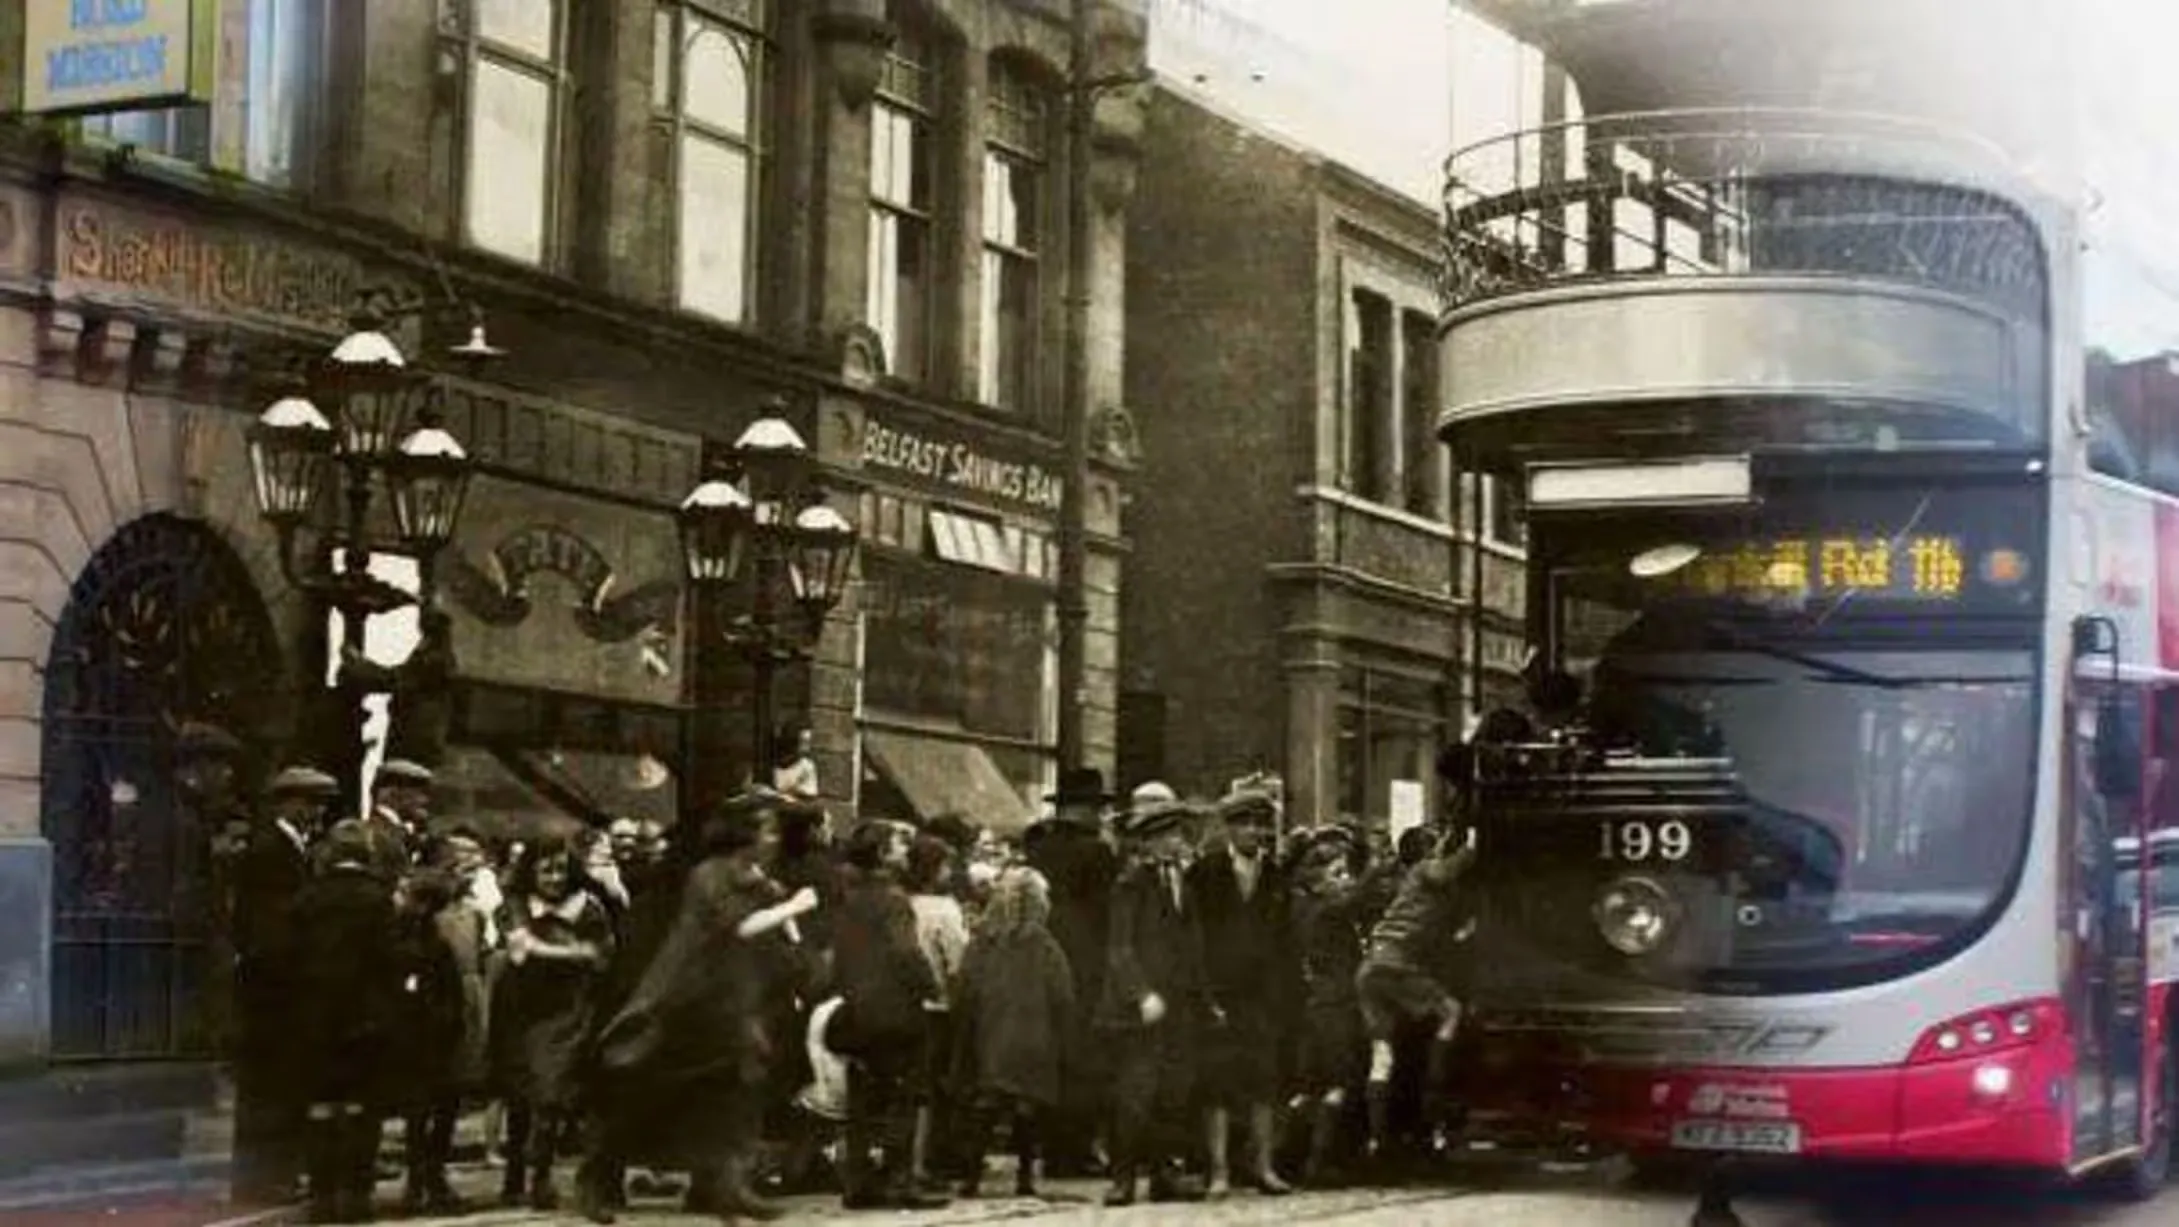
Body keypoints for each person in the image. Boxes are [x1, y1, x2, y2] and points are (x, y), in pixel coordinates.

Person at [587, 791, 820, 1225]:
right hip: (684, 996)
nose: (774, 838)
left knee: (736, 1093)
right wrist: (794, 906)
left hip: (728, 999)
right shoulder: (709, 875)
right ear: (742, 833)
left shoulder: (752, 874)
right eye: (767, 829)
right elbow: (740, 927)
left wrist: (787, 918)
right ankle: (600, 1176)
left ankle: (726, 1186)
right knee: (651, 1090)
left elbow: (772, 916)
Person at [230, 764, 339, 1207]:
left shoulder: (293, 849)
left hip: (282, 990)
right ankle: (263, 1179)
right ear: (286, 802)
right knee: (270, 1089)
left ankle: (275, 1175)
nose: (315, 813)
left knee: (282, 1088)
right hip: (274, 992)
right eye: (309, 803)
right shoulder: (269, 851)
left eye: (320, 805)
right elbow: (269, 928)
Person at [1097, 799, 1213, 1207]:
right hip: (1141, 1007)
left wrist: (1205, 998)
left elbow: (1193, 944)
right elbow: (1120, 948)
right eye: (1165, 836)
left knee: (1174, 1090)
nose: (1174, 842)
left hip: (1178, 1003)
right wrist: (1141, 993)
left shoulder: (1182, 880)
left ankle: (1166, 1174)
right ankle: (1123, 1178)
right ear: (1147, 842)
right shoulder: (1131, 882)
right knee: (1135, 1092)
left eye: (1177, 834)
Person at [829, 819, 949, 1210]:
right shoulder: (894, 900)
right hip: (896, 1008)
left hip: (857, 1006)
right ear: (882, 854)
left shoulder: (848, 896)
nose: (904, 850)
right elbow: (906, 953)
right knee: (904, 1094)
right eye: (898, 844)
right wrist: (930, 985)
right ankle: (900, 1180)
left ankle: (858, 1181)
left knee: (863, 1095)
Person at [492, 838, 615, 1211]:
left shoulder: (588, 908)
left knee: (550, 1095)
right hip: (520, 1007)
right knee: (517, 1094)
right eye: (546, 869)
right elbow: (518, 949)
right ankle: (515, 1177)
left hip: (567, 1010)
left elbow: (604, 957)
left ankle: (541, 1177)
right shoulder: (514, 906)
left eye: (561, 869)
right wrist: (574, 952)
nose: (555, 878)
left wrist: (568, 953)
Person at [289, 820, 403, 1224]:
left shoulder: (307, 898)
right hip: (365, 1022)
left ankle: (321, 1195)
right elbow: (390, 962)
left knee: (320, 1107)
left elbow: (290, 960)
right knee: (360, 1109)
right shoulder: (378, 899)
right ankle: (355, 1194)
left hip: (315, 1020)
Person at [1189, 785, 1297, 1198]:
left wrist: (1283, 992)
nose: (1255, 832)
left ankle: (1263, 1165)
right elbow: (1194, 936)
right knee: (1216, 1081)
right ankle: (1218, 1171)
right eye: (1246, 825)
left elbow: (1286, 939)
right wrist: (1203, 992)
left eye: (1261, 825)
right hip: (1218, 992)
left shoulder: (1276, 876)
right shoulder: (1205, 873)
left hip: (1263, 995)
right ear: (1229, 830)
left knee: (1264, 1081)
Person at [1353, 829, 1479, 1165]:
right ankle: (1432, 1101)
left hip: (1371, 968)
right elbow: (1447, 870)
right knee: (1450, 1011)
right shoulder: (1425, 870)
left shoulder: (1410, 887)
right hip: (1397, 964)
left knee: (1383, 1055)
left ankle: (1377, 1140)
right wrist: (1474, 843)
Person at [950, 866, 1075, 1200]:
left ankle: (971, 1176)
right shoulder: (1045, 944)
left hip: (991, 1032)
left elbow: (964, 988)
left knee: (988, 1099)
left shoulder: (983, 942)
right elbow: (1062, 992)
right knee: (1026, 1103)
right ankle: (1024, 1177)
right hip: (1035, 1035)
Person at [1022, 767, 1120, 1176]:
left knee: (1048, 1053)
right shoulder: (1096, 851)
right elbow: (1108, 912)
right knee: (1083, 1058)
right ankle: (1073, 1151)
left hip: (1038, 953)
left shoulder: (1037, 844)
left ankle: (1048, 1144)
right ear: (1084, 810)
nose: (1100, 818)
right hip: (1084, 959)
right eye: (1096, 809)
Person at [1284, 825, 1371, 1186]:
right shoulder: (1325, 911)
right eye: (1337, 874)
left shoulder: (1300, 906)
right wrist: (1377, 866)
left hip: (1313, 1004)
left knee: (1308, 1087)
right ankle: (1319, 1162)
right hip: (1334, 1005)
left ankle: (1288, 1157)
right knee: (1339, 1082)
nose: (1345, 880)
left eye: (1346, 872)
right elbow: (1356, 896)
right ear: (1318, 880)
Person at [389, 867, 469, 1215]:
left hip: (417, 1034)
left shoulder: (409, 939)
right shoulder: (433, 941)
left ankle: (421, 1179)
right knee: (433, 1110)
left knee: (422, 1112)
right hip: (428, 1035)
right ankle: (428, 1177)